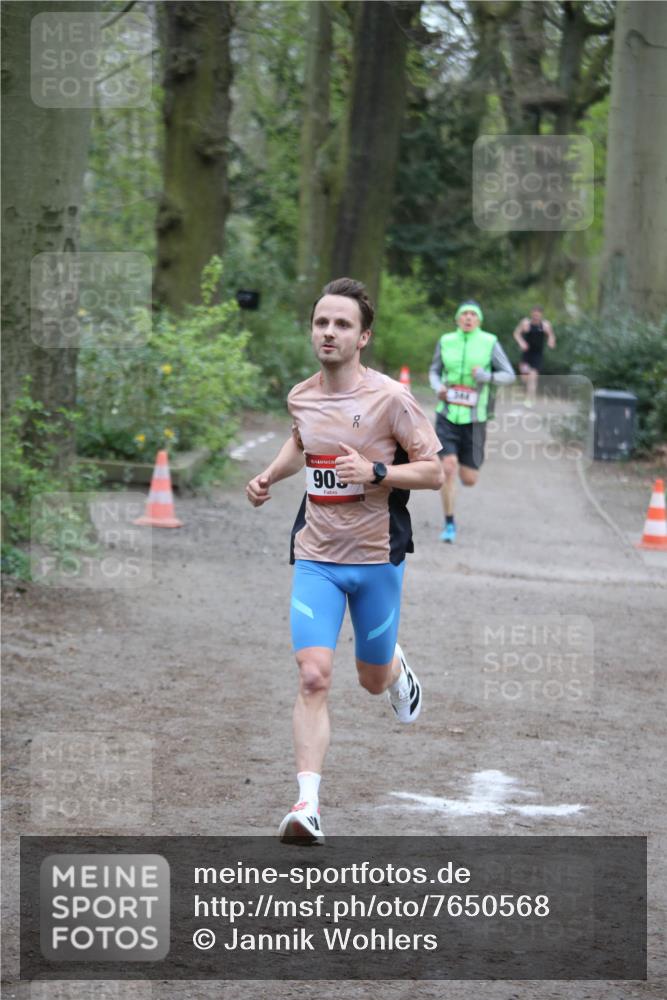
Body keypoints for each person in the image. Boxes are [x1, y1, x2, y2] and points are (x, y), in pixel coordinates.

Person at [246, 277, 443, 845]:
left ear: (363, 337)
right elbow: (302, 442)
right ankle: (306, 804)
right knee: (313, 675)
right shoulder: (302, 395)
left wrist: (377, 472)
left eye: (342, 324)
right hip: (318, 557)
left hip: (378, 558)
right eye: (321, 323)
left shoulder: (391, 400)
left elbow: (434, 472)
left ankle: (395, 668)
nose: (328, 332)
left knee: (370, 678)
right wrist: (268, 476)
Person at [429, 301, 515, 544]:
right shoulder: (446, 341)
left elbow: (509, 375)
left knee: (469, 478)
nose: (468, 318)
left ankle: (461, 475)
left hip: (475, 419)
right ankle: (449, 524)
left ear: (478, 320)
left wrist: (486, 376)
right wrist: (438, 388)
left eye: (472, 315)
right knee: (448, 468)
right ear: (457, 319)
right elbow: (434, 371)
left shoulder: (489, 342)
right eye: (464, 314)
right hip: (447, 414)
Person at [512, 306, 556, 406]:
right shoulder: (525, 323)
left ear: (541, 315)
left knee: (533, 377)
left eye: (538, 314)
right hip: (526, 354)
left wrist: (551, 341)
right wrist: (521, 342)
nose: (536, 316)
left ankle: (529, 399)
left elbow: (551, 335)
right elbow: (516, 333)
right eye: (534, 314)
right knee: (524, 378)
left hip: (537, 355)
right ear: (531, 313)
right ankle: (527, 393)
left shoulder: (545, 325)